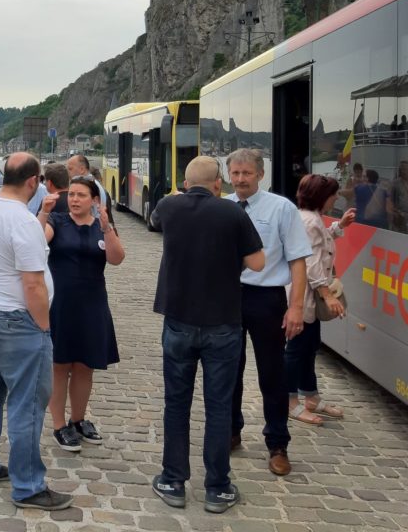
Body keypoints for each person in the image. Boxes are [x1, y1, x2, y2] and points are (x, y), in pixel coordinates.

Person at [149, 156, 265, 514]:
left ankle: (173, 480)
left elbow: (154, 221)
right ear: (218, 183)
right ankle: (217, 487)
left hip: (178, 320)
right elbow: (258, 262)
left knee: (176, 403)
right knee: (218, 407)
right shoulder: (232, 212)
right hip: (222, 323)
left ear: (185, 183)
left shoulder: (168, 206)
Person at [0, 152, 72, 511]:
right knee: (27, 403)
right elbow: (33, 284)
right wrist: (43, 327)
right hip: (14, 320)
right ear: (32, 181)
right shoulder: (22, 220)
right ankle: (28, 486)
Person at [227, 148, 312, 477]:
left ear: (260, 175)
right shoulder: (223, 207)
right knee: (228, 370)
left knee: (272, 374)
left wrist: (296, 307)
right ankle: (231, 431)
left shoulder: (281, 208)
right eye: (235, 173)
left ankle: (277, 444)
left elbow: (298, 260)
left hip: (267, 299)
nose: (240, 179)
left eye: (247, 173)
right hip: (228, 297)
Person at [40, 176, 124, 451]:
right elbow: (36, 242)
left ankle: (78, 419)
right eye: (72, 194)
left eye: (81, 195)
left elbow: (116, 258)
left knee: (85, 365)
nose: (74, 200)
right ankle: (59, 424)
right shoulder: (58, 221)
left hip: (92, 302)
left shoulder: (102, 226)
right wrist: (44, 213)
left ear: (95, 200)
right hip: (61, 303)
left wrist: (107, 226)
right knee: (60, 365)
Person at [287, 175, 353, 426]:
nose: (336, 198)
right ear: (321, 196)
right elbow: (311, 263)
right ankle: (289, 401)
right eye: (333, 194)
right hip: (304, 296)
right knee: (297, 350)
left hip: (306, 296)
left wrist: (339, 226)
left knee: (309, 346)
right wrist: (327, 295)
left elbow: (321, 242)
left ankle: (310, 395)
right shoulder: (310, 222)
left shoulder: (308, 218)